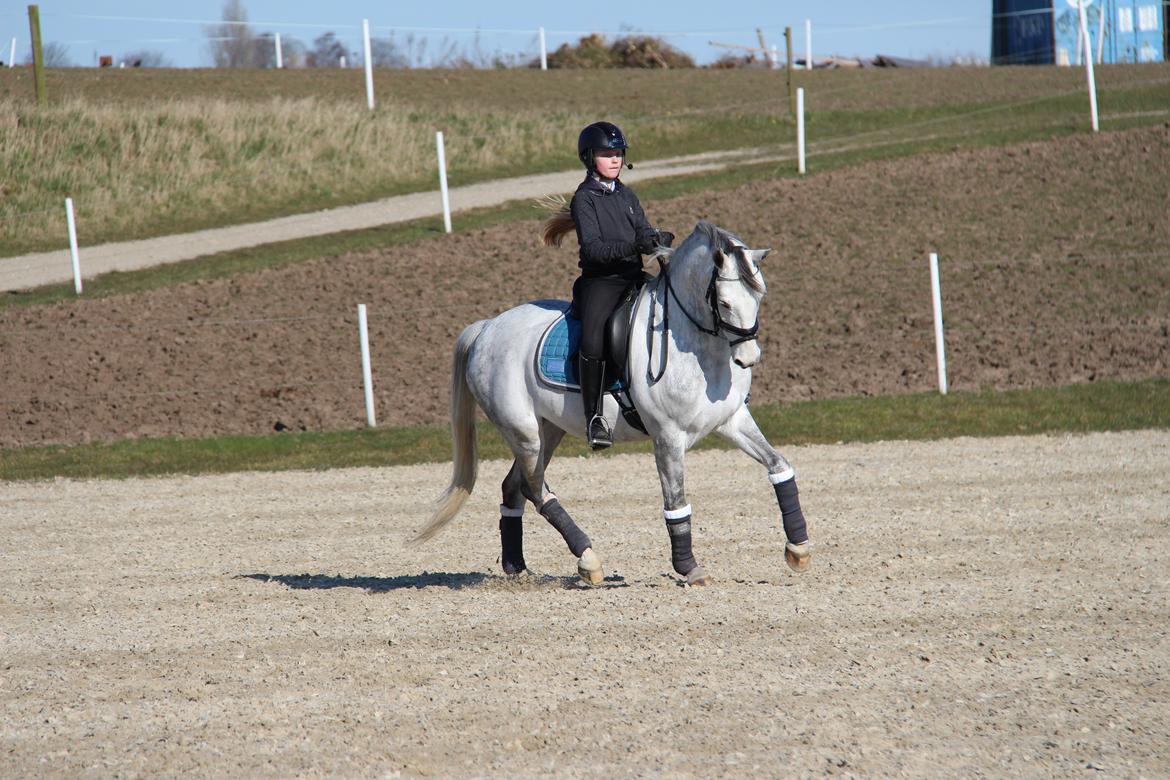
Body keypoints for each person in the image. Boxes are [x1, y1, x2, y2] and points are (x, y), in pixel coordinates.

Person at [567, 121, 673, 450]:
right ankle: (595, 417)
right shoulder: (584, 199)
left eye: (617, 153)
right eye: (605, 154)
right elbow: (594, 250)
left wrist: (655, 240)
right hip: (601, 281)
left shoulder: (627, 194)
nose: (614, 159)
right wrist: (633, 248)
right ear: (589, 158)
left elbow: (640, 230)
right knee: (594, 340)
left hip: (632, 276)